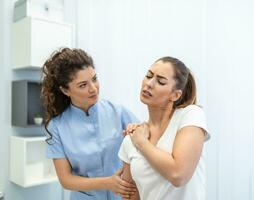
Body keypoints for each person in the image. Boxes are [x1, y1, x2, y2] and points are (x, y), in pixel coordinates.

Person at [42, 48, 138, 200]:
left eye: (94, 79)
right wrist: (107, 183)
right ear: (66, 90)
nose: (93, 89)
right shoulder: (57, 127)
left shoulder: (117, 112)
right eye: (82, 85)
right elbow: (66, 180)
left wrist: (138, 131)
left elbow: (147, 139)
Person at [118, 57, 210, 200]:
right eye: (148, 76)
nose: (149, 84)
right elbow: (131, 195)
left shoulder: (190, 115)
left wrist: (142, 143)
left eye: (160, 81)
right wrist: (137, 140)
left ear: (175, 95)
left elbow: (178, 175)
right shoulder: (131, 139)